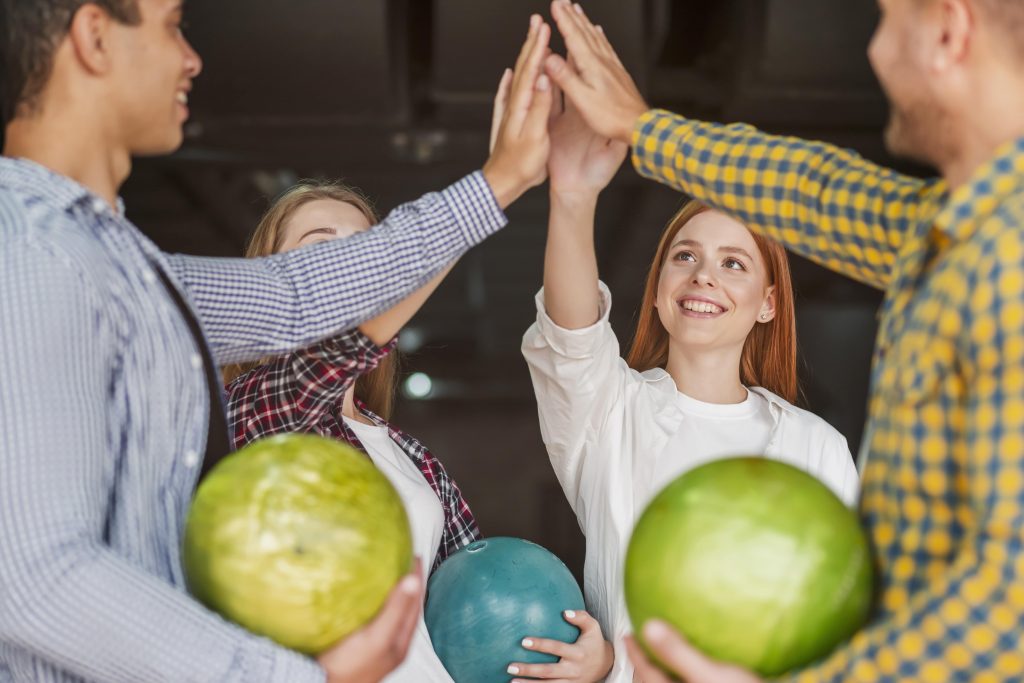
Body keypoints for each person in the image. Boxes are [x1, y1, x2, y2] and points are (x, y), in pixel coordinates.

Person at [0, 0, 555, 680]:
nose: (193, 58)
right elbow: (33, 574)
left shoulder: (136, 271)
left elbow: (298, 296)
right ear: (93, 36)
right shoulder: (28, 249)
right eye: (173, 24)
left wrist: (505, 179)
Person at [538, 0, 1024, 680]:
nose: (876, 52)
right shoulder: (952, 234)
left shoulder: (1008, 257)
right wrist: (642, 129)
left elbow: (1008, 600)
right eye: (686, 256)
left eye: (885, 20)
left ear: (948, 32)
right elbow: (815, 192)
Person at [514, 73, 857, 683]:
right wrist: (572, 195)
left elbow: (842, 628)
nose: (703, 276)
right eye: (685, 256)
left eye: (733, 263)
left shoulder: (816, 447)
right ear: (660, 288)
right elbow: (571, 340)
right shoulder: (610, 413)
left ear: (768, 303)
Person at [222, 179, 482, 683]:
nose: (350, 266)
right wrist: (484, 200)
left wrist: (566, 652)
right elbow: (322, 367)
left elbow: (471, 606)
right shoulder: (256, 408)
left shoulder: (414, 457)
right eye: (321, 247)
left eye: (364, 250)